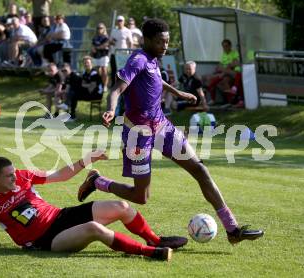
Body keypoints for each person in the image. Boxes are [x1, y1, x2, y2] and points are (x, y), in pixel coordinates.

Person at [78, 18, 264, 245]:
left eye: (166, 42)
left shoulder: (154, 59)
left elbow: (155, 81)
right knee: (141, 196)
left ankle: (232, 229)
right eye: (160, 42)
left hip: (162, 126)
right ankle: (97, 181)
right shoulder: (137, 60)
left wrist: (178, 93)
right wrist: (109, 109)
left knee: (200, 170)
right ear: (146, 41)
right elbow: (117, 89)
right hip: (138, 135)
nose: (164, 46)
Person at [0, 151, 187, 261]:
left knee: (120, 205)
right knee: (94, 228)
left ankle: (154, 240)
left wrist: (87, 159)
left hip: (60, 216)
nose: (14, 178)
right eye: (7, 176)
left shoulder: (22, 175)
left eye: (13, 174)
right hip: (45, 240)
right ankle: (149, 253)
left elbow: (60, 175)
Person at [58, 56, 103, 121]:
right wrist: (86, 85)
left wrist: (85, 85)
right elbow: (84, 84)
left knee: (74, 92)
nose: (86, 64)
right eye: (85, 63)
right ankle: (70, 113)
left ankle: (68, 108)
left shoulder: (94, 73)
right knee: (74, 93)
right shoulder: (85, 73)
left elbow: (91, 88)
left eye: (87, 62)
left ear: (91, 64)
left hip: (96, 95)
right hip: (89, 93)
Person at [109, 15, 132, 87]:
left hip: (124, 54)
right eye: (118, 20)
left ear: (124, 22)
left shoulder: (127, 31)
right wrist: (112, 42)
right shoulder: (114, 30)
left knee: (124, 70)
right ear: (116, 22)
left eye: (121, 21)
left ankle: (125, 84)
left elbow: (130, 42)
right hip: (114, 53)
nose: (119, 22)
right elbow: (110, 41)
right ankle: (113, 85)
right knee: (114, 70)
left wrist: (130, 52)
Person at [91, 23, 109, 91]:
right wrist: (93, 49)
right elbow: (93, 46)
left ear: (104, 29)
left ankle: (105, 86)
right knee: (97, 71)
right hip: (96, 56)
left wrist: (97, 48)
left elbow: (105, 45)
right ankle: (99, 85)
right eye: (98, 28)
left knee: (104, 70)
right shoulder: (95, 37)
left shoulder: (106, 37)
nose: (99, 29)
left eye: (101, 28)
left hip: (103, 55)